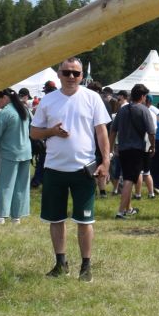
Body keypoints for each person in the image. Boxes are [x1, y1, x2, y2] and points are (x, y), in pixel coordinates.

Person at [32, 59, 112, 281]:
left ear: (81, 76)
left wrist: (105, 161)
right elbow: (34, 133)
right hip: (54, 168)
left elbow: (101, 132)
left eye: (75, 73)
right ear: (58, 74)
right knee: (55, 219)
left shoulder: (92, 98)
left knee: (85, 221)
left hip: (83, 169)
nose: (71, 77)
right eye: (66, 72)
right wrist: (52, 131)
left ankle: (86, 266)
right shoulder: (48, 100)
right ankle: (60, 263)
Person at [0, 88, 33, 224]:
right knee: (21, 186)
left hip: (10, 153)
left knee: (6, 185)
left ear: (5, 98)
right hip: (26, 152)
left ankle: (1, 216)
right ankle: (16, 217)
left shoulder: (5, 113)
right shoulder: (25, 110)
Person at [113, 86, 156, 220]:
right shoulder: (144, 110)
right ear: (143, 96)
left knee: (127, 177)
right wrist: (153, 146)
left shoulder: (122, 110)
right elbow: (151, 132)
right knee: (129, 180)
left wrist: (111, 148)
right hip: (136, 149)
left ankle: (129, 208)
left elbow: (113, 130)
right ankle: (120, 212)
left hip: (122, 149)